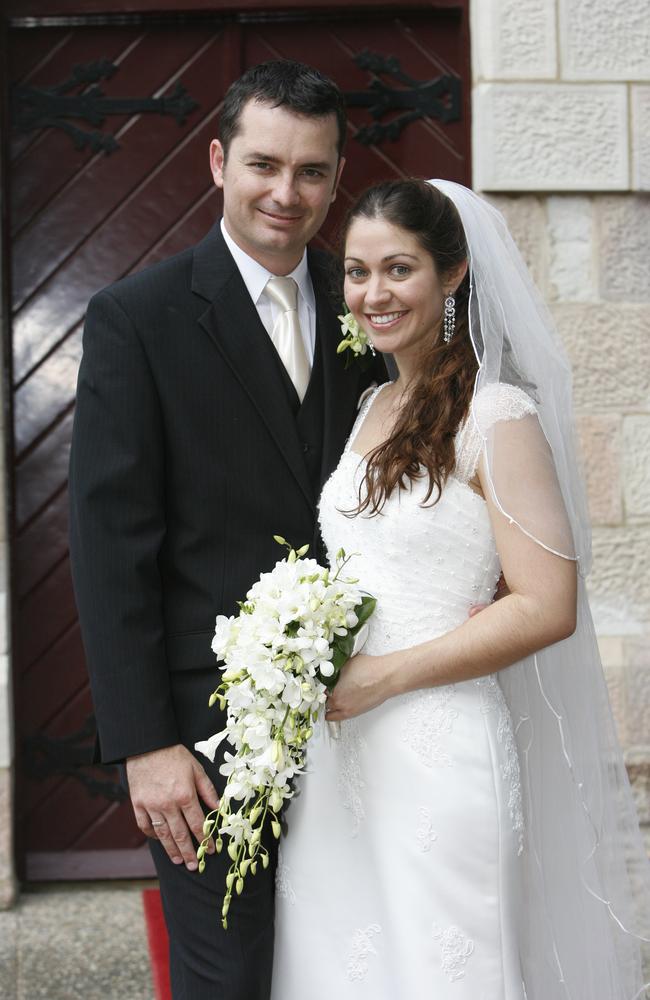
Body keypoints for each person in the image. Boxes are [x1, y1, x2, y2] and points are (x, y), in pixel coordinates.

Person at [272, 179, 650, 998]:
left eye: (398, 269)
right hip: (343, 757)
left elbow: (547, 604)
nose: (373, 293)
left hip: (438, 752)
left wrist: (386, 675)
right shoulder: (373, 402)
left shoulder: (497, 415)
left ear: (452, 274)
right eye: (358, 272)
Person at [69, 60, 386, 1000]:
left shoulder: (377, 308)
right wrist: (144, 744)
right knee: (228, 981)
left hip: (371, 718)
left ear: (338, 177)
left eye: (314, 171)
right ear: (217, 161)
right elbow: (109, 544)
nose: (286, 193)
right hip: (207, 746)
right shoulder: (136, 319)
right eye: (263, 164)